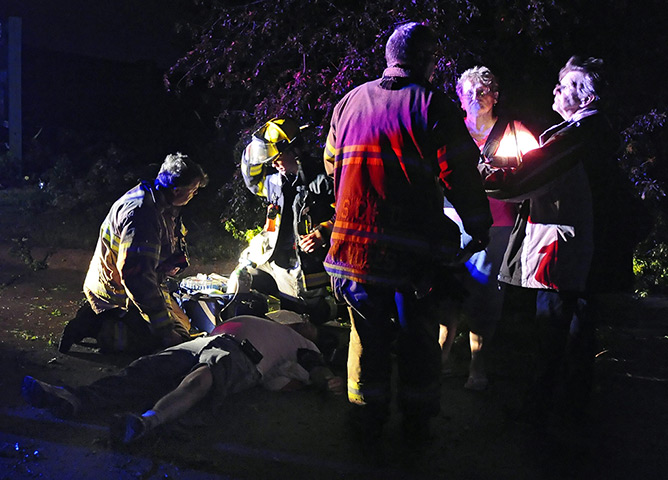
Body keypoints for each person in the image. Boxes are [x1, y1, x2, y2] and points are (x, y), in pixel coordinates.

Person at [322, 22, 492, 439]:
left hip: (351, 256)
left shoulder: (349, 102)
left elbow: (331, 165)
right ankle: (416, 425)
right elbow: (462, 177)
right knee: (417, 339)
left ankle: (365, 420)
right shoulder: (434, 106)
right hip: (411, 259)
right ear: (428, 63)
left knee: (365, 337)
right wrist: (478, 226)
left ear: (389, 59)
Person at [483, 56, 650, 424]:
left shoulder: (574, 138)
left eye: (569, 84)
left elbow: (517, 182)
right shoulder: (597, 136)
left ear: (587, 99)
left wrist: (482, 172)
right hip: (587, 253)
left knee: (551, 331)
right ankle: (573, 408)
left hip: (564, 254)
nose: (557, 89)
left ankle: (539, 410)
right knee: (578, 332)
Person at [22, 311, 344, 444]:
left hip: (242, 353)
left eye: (309, 325)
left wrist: (326, 379)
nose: (303, 323)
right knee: (144, 370)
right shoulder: (272, 321)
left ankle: (146, 423)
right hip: (204, 340)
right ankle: (75, 397)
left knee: (202, 380)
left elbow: (314, 367)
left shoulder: (303, 343)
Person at [439, 66, 539, 390]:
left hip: (497, 225)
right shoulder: (450, 133)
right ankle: (439, 360)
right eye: (469, 92)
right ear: (459, 97)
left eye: (482, 91)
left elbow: (538, 173)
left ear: (495, 96)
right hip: (449, 221)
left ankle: (477, 367)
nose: (475, 98)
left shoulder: (514, 131)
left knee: (484, 294)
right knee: (446, 293)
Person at [58, 153, 208, 354]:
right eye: (193, 190)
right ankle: (96, 324)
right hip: (116, 292)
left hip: (138, 283)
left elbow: (163, 245)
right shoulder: (142, 216)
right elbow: (136, 277)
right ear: (177, 190)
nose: (194, 194)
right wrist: (164, 330)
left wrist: (173, 261)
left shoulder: (160, 201)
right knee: (170, 344)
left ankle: (117, 321)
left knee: (184, 329)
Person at [239, 118, 337, 324]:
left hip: (302, 266)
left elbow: (349, 211)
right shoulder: (275, 181)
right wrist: (252, 151)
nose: (273, 163)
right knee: (241, 278)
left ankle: (327, 321)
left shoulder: (322, 179)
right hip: (272, 259)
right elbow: (252, 181)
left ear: (295, 152)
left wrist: (324, 231)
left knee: (299, 320)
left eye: (278, 157)